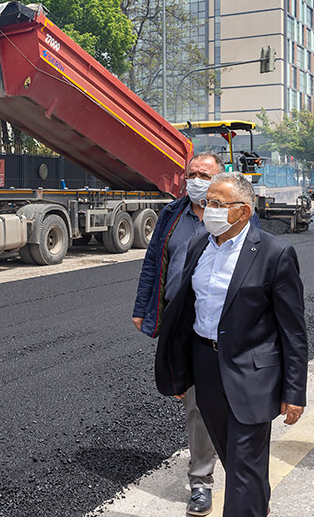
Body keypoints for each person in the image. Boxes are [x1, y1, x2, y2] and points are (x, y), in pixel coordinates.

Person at [155, 172, 307, 517]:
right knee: (238, 463)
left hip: (252, 375)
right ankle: (257, 506)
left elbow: (293, 331)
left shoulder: (275, 253)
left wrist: (294, 391)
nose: (209, 209)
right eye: (208, 202)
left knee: (243, 469)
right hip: (207, 370)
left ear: (244, 211)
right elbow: (185, 313)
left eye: (219, 204)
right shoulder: (198, 245)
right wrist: (182, 374)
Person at [132, 152, 224, 516]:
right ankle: (203, 471)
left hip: (216, 320)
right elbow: (153, 262)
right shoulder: (173, 214)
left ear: (219, 178)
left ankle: (218, 475)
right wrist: (142, 308)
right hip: (177, 320)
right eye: (192, 174)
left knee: (215, 401)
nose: (196, 180)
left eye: (205, 174)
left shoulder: (230, 215)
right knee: (191, 398)